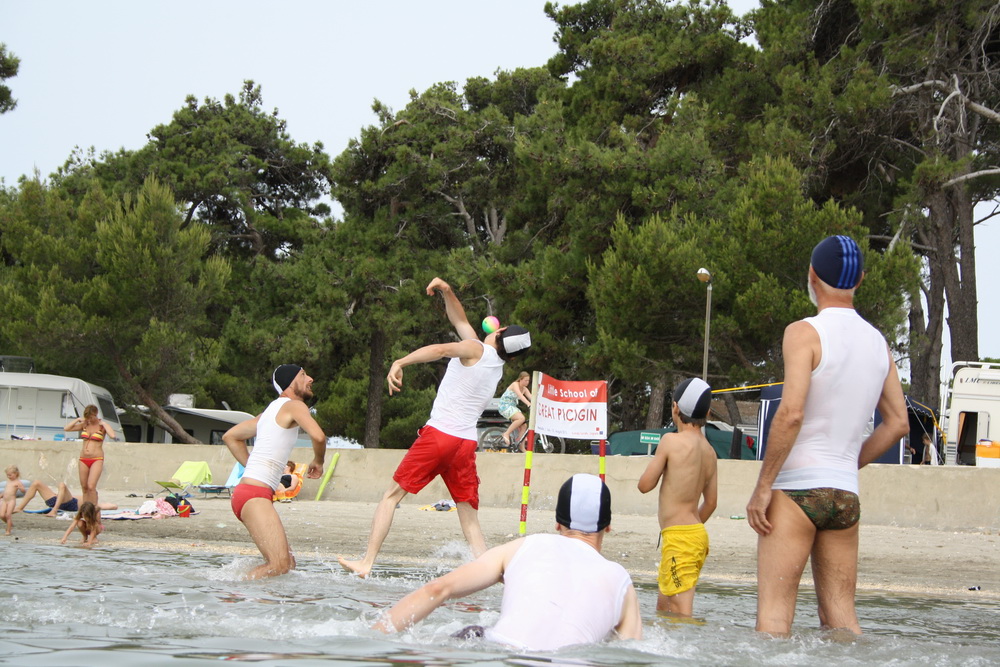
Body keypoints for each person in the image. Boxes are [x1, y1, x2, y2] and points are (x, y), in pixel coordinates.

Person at [745, 235, 908, 637]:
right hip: (845, 495)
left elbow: (791, 413)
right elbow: (898, 424)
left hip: (796, 488)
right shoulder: (878, 343)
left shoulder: (804, 332)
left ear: (812, 275)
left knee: (774, 619)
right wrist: (846, 464)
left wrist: (763, 487)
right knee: (841, 622)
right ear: (861, 279)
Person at [339, 277, 532, 578]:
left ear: (500, 331)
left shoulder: (474, 348)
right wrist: (447, 290)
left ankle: (366, 562)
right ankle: (491, 574)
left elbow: (441, 349)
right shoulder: (494, 363)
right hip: (465, 444)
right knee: (468, 515)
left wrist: (400, 362)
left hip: (440, 436)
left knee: (391, 496)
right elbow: (461, 321)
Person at [374, 474, 642, 650]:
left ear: (557, 523)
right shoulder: (621, 583)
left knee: (474, 633)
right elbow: (631, 650)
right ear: (608, 526)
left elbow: (437, 589)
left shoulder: (524, 547)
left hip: (499, 650)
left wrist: (372, 639)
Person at [222, 365, 327, 579]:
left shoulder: (269, 412)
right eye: (303, 375)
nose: (310, 379)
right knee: (278, 565)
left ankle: (261, 597)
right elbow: (318, 437)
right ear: (290, 382)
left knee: (288, 564)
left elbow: (230, 436)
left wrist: (253, 468)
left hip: (249, 493)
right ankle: (232, 592)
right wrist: (318, 461)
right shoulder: (294, 406)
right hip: (254, 496)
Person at [637, 377, 718, 617]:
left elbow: (645, 485)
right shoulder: (710, 452)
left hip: (680, 539)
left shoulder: (670, 441)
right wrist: (692, 530)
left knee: (681, 611)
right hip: (692, 536)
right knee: (664, 608)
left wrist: (684, 533)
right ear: (708, 413)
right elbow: (711, 503)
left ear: (675, 407)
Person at [64, 404, 116, 505]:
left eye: (91, 417)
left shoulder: (102, 426)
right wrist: (77, 420)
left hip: (96, 458)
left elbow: (112, 435)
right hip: (83, 458)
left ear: (96, 414)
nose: (89, 419)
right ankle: (85, 509)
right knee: (84, 487)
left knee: (91, 486)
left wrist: (103, 423)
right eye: (87, 417)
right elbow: (67, 428)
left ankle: (93, 508)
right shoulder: (85, 425)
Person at [14, 479, 117, 517]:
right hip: (56, 500)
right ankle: (20, 508)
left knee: (62, 485)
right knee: (36, 483)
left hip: (69, 504)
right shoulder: (86, 498)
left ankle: (54, 511)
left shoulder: (93, 505)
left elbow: (113, 506)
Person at [498, 371, 532, 451]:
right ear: (520, 379)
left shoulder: (525, 389)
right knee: (521, 418)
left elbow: (531, 397)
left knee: (524, 426)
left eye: (528, 380)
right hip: (505, 405)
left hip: (512, 407)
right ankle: (506, 433)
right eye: (525, 380)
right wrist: (528, 403)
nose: (527, 382)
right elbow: (519, 395)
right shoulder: (515, 384)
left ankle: (520, 445)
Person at [2, 465, 26, 535]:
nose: (8, 476)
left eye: (10, 475)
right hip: (4, 500)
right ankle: (10, 524)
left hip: (11, 501)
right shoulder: (8, 481)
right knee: (2, 515)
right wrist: (2, 495)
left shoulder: (17, 482)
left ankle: (8, 530)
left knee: (8, 515)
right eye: (7, 475)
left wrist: (20, 488)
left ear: (16, 474)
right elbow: (7, 490)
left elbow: (24, 491)